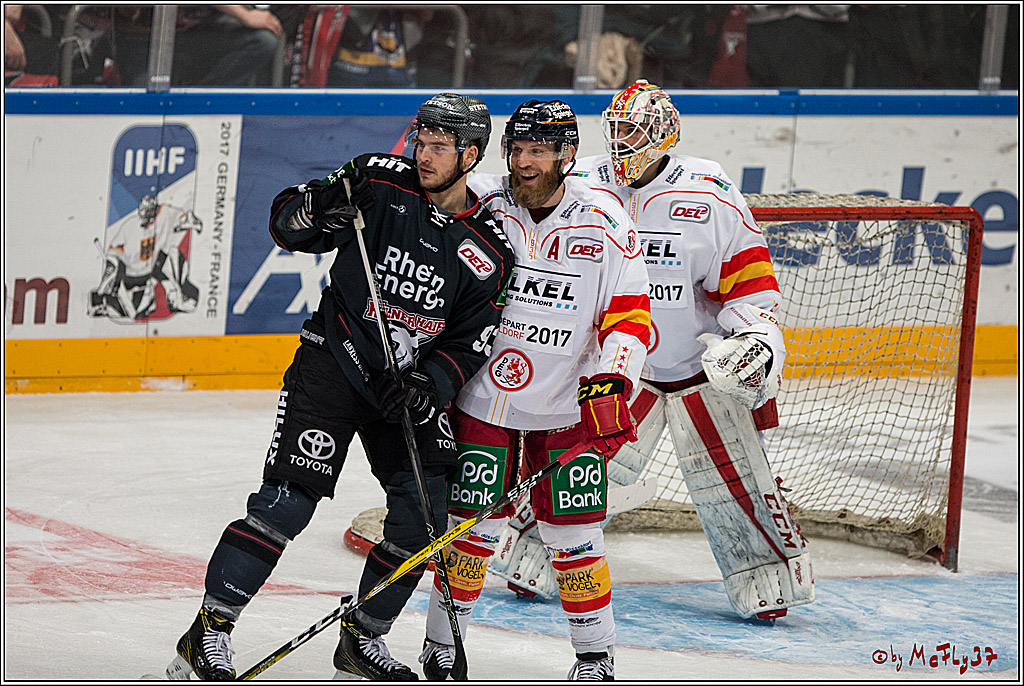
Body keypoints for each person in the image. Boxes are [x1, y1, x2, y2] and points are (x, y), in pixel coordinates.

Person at [166, 92, 515, 681]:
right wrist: (318, 208)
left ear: (471, 155)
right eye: (421, 141)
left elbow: (469, 342)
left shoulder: (489, 248)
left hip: (399, 390)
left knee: (422, 519)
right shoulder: (376, 180)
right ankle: (208, 631)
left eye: (439, 146)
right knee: (286, 502)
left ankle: (361, 640)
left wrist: (428, 385)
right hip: (333, 364)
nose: (424, 155)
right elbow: (286, 224)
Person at [418, 100, 651, 681]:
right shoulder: (484, 203)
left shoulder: (605, 220)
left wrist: (615, 378)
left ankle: (595, 659)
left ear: (567, 155)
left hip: (567, 407)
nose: (523, 162)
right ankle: (441, 646)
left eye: (538, 151)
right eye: (517, 149)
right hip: (483, 401)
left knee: (575, 538)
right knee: (469, 531)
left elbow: (630, 315)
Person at [573, 80, 814, 620]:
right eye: (616, 131)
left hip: (693, 369)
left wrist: (755, 339)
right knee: (578, 469)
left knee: (734, 482)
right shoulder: (582, 183)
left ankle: (768, 580)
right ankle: (533, 554)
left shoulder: (709, 192)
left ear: (663, 135)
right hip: (617, 364)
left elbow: (749, 285)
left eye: (633, 132)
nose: (621, 144)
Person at [88, 194, 202, 322]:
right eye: (142, 215)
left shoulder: (165, 213)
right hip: (133, 277)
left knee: (173, 253)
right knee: (135, 313)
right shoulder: (129, 226)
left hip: (153, 272)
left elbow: (185, 217)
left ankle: (178, 295)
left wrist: (192, 223)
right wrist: (105, 284)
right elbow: (113, 258)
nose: (143, 220)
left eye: (147, 216)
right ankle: (100, 301)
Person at [110, 5, 283, 87]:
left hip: (199, 34)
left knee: (262, 40)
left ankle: (206, 102)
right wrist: (244, 15)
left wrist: (245, 14)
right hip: (145, 39)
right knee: (145, 103)